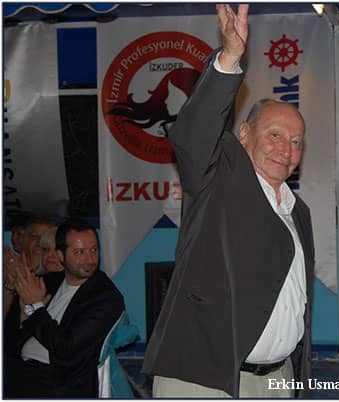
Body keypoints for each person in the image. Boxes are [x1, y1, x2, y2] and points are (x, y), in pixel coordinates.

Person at [142, 4, 315, 398]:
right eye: (274, 135)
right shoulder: (218, 180)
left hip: (277, 380)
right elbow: (192, 134)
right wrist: (230, 58)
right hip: (203, 380)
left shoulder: (297, 211)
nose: (285, 149)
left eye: (296, 141)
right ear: (244, 135)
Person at [4, 218, 125, 397]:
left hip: (57, 384)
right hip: (21, 371)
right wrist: (25, 311)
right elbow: (16, 333)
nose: (89, 259)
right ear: (61, 255)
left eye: (93, 250)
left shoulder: (105, 297)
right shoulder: (51, 281)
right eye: (79, 252)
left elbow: (66, 350)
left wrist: (35, 307)